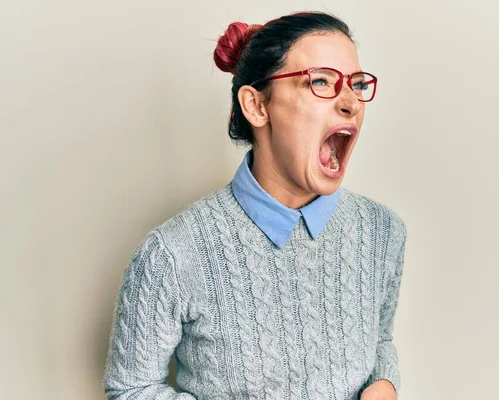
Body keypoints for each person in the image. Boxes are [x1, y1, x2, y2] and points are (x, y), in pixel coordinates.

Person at [103, 11, 407, 400]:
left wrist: (383, 384)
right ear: (257, 106)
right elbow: (130, 389)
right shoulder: (171, 256)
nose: (351, 102)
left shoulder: (383, 232)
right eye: (321, 81)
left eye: (357, 84)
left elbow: (379, 340)